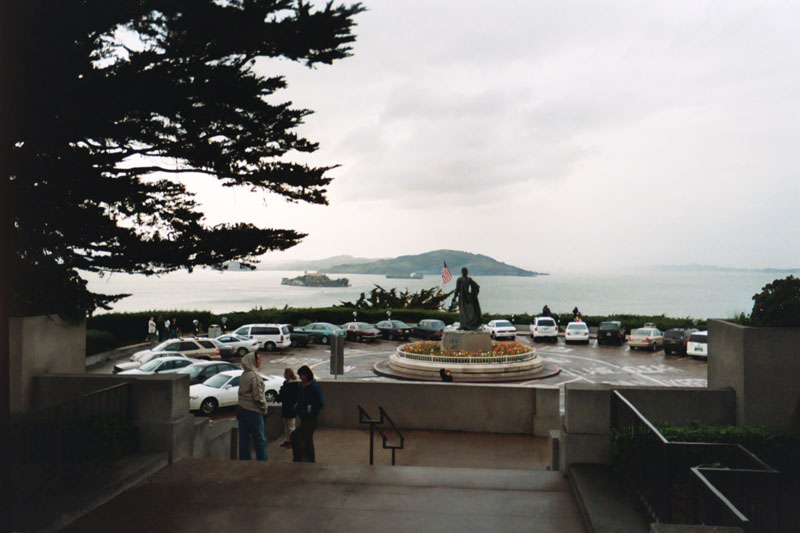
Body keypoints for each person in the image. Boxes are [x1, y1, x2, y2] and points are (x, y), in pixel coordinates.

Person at [237, 351, 268, 461]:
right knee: (260, 440)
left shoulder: (243, 375)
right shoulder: (254, 376)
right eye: (258, 359)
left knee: (244, 439)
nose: (260, 361)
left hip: (241, 408)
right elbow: (258, 396)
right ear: (252, 361)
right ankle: (262, 463)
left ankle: (244, 462)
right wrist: (264, 408)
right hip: (253, 411)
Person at [291, 365, 324, 463]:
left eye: (301, 375)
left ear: (306, 375)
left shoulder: (313, 387)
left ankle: (298, 458)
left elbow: (320, 403)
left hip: (311, 418)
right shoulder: (303, 386)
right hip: (304, 417)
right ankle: (310, 460)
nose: (300, 377)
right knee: (307, 440)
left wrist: (309, 409)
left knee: (295, 436)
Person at [278, 368, 301, 448]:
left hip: (289, 407)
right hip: (289, 407)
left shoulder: (290, 385)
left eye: (285, 373)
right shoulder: (294, 385)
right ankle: (288, 441)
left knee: (290, 426)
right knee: (288, 426)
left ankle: (291, 441)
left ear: (288, 375)